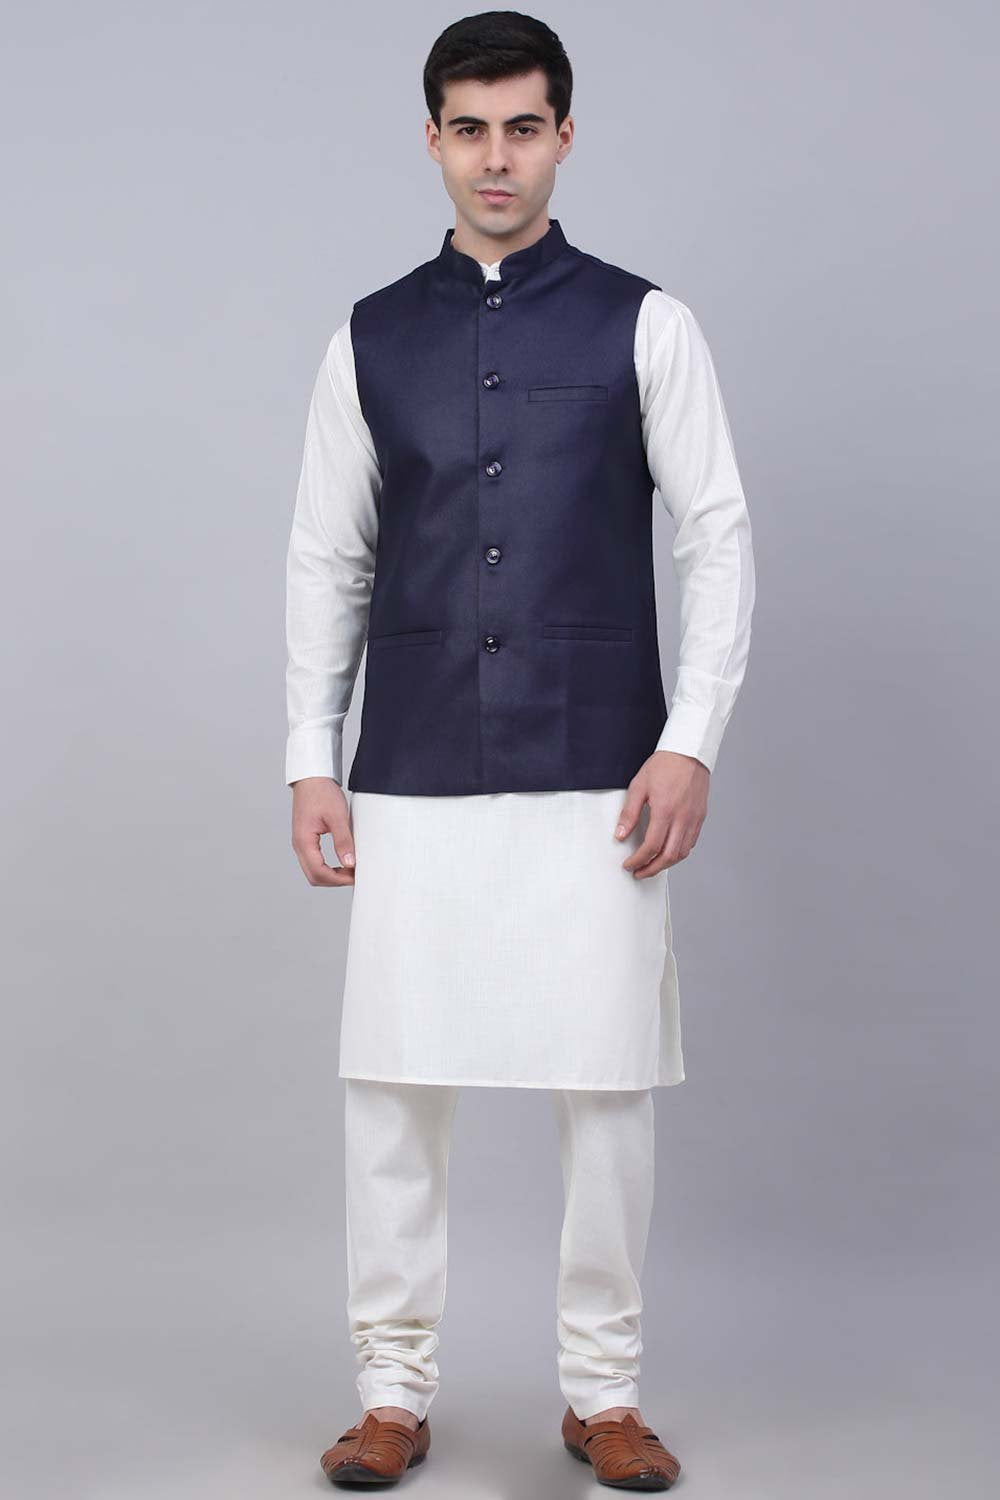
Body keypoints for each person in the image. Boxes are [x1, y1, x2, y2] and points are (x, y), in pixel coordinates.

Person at [285, 11, 755, 1489]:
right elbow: (327, 558)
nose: (498, 158)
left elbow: (720, 536)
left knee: (606, 1091)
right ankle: (391, 1391)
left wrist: (692, 741)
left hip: (601, 761)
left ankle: (604, 1394)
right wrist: (308, 755)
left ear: (564, 138)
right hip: (415, 759)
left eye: (524, 128)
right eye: (471, 129)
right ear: (433, 140)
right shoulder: (369, 337)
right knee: (392, 1088)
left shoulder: (646, 323)